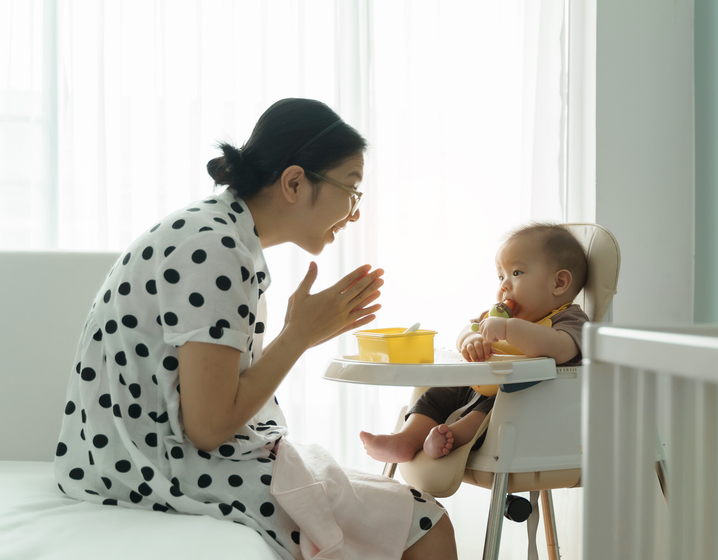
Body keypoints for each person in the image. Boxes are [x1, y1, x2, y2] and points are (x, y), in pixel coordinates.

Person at [53, 98, 457, 560]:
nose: (354, 211)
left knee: (396, 509)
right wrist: (298, 336)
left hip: (129, 459)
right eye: (351, 187)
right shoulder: (216, 248)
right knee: (427, 525)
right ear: (294, 182)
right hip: (149, 471)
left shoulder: (218, 231)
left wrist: (303, 332)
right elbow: (208, 427)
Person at [360, 223, 590, 463]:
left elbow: (562, 348)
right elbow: (466, 330)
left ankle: (452, 436)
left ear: (559, 283)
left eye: (516, 273)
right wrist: (472, 340)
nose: (504, 286)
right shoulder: (497, 316)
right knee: (437, 394)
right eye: (501, 276)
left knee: (497, 406)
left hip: (523, 399)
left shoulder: (569, 319)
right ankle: (405, 439)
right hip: (476, 385)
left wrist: (510, 330)